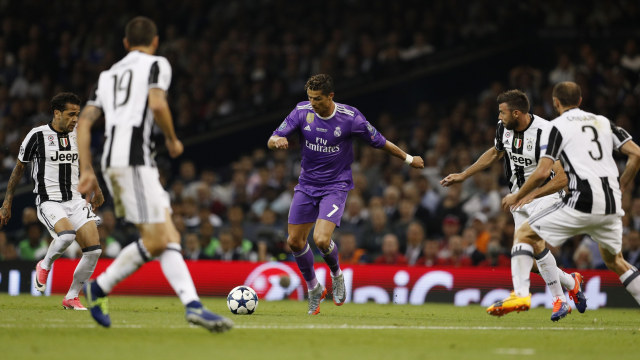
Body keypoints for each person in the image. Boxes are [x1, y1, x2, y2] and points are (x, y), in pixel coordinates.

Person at [76, 16, 232, 332]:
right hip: (132, 160)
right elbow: (158, 104)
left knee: (164, 237)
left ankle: (102, 289)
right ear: (156, 41)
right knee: (161, 237)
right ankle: (191, 306)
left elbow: (84, 122)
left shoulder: (107, 75)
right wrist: (173, 139)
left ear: (125, 44)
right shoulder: (157, 64)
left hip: (121, 160)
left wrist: (87, 169)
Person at [268, 74, 424, 314]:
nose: (312, 103)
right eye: (309, 98)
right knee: (294, 241)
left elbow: (380, 141)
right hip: (306, 184)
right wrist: (277, 140)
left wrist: (409, 158)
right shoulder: (301, 111)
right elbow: (272, 137)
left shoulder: (350, 118)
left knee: (320, 239)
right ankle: (314, 289)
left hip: (335, 186)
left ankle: (337, 274)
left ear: (331, 96)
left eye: (317, 99)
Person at [441, 89, 586, 316]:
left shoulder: (546, 132)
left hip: (546, 196)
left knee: (530, 242)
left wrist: (529, 195)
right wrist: (463, 174)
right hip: (518, 200)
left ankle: (557, 300)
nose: (498, 118)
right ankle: (570, 282)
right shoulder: (504, 128)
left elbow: (562, 178)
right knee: (530, 254)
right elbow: (496, 152)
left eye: (502, 113)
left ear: (517, 113)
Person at [502, 81, 640, 321]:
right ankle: (568, 282)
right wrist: (623, 185)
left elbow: (544, 172)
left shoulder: (555, 128)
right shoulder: (604, 122)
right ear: (580, 101)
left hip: (580, 200)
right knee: (616, 262)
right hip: (610, 202)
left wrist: (520, 194)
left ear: (556, 103)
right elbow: (636, 154)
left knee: (525, 237)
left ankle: (536, 297)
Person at [0, 92, 103, 310]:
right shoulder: (36, 136)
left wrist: (97, 189)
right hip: (50, 201)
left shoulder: (77, 135)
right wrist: (7, 202)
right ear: (57, 113)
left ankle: (72, 297)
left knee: (94, 251)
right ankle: (44, 264)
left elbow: (85, 164)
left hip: (75, 200)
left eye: (77, 114)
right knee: (66, 237)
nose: (75, 119)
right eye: (71, 114)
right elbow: (19, 169)